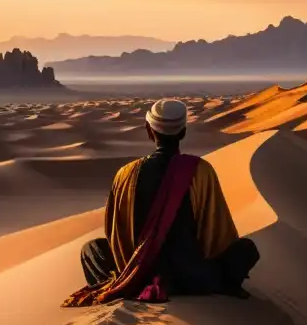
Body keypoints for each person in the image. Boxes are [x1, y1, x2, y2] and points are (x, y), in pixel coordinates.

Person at [63, 98, 260, 307]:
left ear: (149, 130)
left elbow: (114, 231)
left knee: (91, 249)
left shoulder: (126, 174)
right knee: (246, 249)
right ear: (183, 132)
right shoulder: (201, 171)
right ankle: (218, 285)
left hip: (138, 273)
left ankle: (128, 282)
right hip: (192, 279)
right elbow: (216, 230)